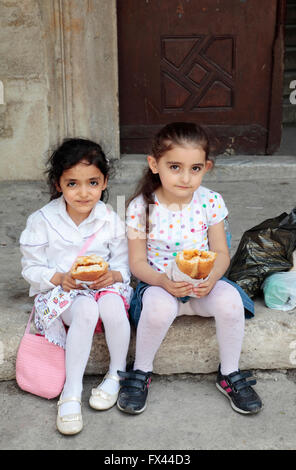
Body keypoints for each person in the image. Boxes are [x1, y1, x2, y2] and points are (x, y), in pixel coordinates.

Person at [117, 122, 262, 416]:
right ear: (154, 164)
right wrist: (163, 281)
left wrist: (213, 278)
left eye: (195, 168)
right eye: (174, 167)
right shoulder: (139, 207)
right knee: (157, 309)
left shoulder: (210, 201)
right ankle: (141, 371)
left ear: (206, 167)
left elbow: (221, 252)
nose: (185, 177)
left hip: (202, 286)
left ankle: (230, 373)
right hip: (160, 286)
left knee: (231, 302)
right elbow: (137, 263)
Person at [20, 138, 133, 435]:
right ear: (58, 184)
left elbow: (124, 265)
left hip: (103, 287)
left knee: (108, 304)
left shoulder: (110, 220)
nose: (83, 192)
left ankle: (116, 373)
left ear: (104, 181)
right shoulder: (42, 221)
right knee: (84, 309)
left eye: (92, 182)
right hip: (63, 292)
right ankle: (71, 392)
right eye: (72, 184)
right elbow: (31, 268)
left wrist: (114, 277)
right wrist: (58, 278)